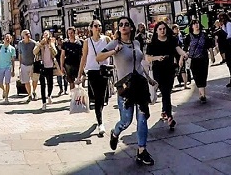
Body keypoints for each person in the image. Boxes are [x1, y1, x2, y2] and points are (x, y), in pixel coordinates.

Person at [98, 16, 154, 166]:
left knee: (142, 118)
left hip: (140, 86)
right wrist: (113, 52)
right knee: (126, 121)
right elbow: (99, 57)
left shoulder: (136, 42)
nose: (123, 26)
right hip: (125, 88)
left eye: (126, 24)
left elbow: (139, 65)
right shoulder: (115, 43)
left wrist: (149, 79)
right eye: (121, 24)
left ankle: (142, 151)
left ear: (131, 28)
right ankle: (115, 133)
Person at [146, 21, 188, 131]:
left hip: (170, 70)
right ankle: (170, 117)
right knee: (165, 92)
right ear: (156, 31)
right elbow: (148, 58)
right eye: (160, 29)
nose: (162, 31)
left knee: (167, 92)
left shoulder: (171, 40)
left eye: (164, 28)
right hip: (158, 71)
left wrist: (184, 54)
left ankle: (164, 110)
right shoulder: (153, 43)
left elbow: (178, 49)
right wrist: (157, 58)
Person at [77, 20, 111, 137]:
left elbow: (112, 53)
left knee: (102, 97)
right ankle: (100, 123)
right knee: (97, 96)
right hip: (92, 71)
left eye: (100, 26)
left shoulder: (106, 39)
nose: (98, 28)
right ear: (91, 28)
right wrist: (79, 74)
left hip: (104, 70)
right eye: (95, 26)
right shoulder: (87, 41)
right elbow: (84, 57)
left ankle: (99, 116)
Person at [184, 20, 214, 103]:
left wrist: (212, 56)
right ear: (191, 26)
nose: (196, 25)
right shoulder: (188, 37)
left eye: (197, 23)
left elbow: (209, 46)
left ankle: (202, 94)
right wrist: (183, 58)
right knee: (196, 76)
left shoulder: (204, 35)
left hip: (203, 58)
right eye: (194, 24)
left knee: (203, 75)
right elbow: (185, 49)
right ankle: (202, 93)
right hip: (193, 60)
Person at [34, 30, 58, 111]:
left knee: (50, 83)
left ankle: (49, 95)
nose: (45, 36)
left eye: (47, 34)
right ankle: (44, 102)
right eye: (44, 34)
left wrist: (51, 45)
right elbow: (34, 52)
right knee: (43, 85)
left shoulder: (51, 43)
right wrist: (41, 44)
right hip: (42, 66)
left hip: (50, 66)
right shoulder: (39, 43)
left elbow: (55, 53)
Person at [0, 33, 16, 103]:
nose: (7, 39)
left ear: (11, 39)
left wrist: (13, 70)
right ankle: (4, 90)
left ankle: (6, 98)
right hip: (0, 67)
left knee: (7, 83)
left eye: (9, 38)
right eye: (6, 38)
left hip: (8, 67)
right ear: (4, 39)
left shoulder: (12, 49)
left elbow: (13, 60)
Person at [215, 13, 231, 87]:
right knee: (229, 63)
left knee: (230, 62)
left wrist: (222, 34)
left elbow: (229, 35)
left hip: (230, 44)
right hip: (226, 45)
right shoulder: (224, 25)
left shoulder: (228, 24)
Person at [17, 30, 38, 102]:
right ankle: (29, 94)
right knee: (26, 81)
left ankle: (34, 91)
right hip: (24, 65)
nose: (28, 35)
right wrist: (20, 65)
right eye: (26, 34)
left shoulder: (33, 43)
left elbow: (37, 54)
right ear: (23, 36)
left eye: (29, 34)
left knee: (35, 80)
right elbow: (20, 54)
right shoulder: (20, 43)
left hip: (33, 64)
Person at [61, 27, 83, 95]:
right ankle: (73, 96)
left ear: (74, 33)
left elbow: (83, 55)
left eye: (71, 33)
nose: (70, 35)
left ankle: (79, 95)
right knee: (71, 81)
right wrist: (61, 66)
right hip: (68, 64)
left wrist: (83, 65)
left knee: (79, 80)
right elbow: (62, 55)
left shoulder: (79, 43)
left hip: (78, 64)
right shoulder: (65, 44)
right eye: (69, 33)